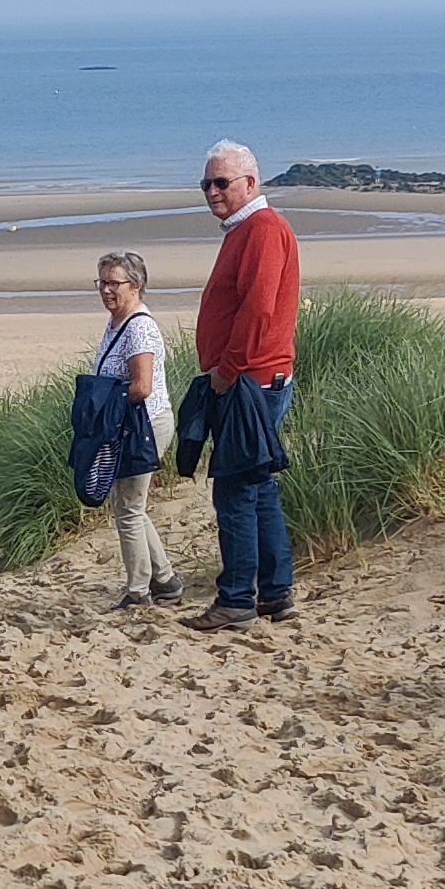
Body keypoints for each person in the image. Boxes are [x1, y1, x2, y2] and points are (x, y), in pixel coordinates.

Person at [188, 140, 300, 628]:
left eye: (221, 183)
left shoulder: (264, 228)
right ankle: (274, 593)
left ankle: (236, 598)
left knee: (235, 489)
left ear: (250, 184)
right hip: (249, 379)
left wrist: (228, 371)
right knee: (258, 487)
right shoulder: (244, 230)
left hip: (251, 382)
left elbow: (258, 309)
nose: (212, 191)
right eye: (206, 183)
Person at [91, 249, 179, 608]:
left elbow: (141, 387)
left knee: (128, 507)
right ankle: (166, 579)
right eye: (102, 282)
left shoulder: (139, 326)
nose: (106, 290)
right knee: (131, 505)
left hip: (145, 425)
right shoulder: (118, 323)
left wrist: (105, 402)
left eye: (114, 283)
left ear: (137, 286)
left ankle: (139, 590)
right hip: (129, 426)